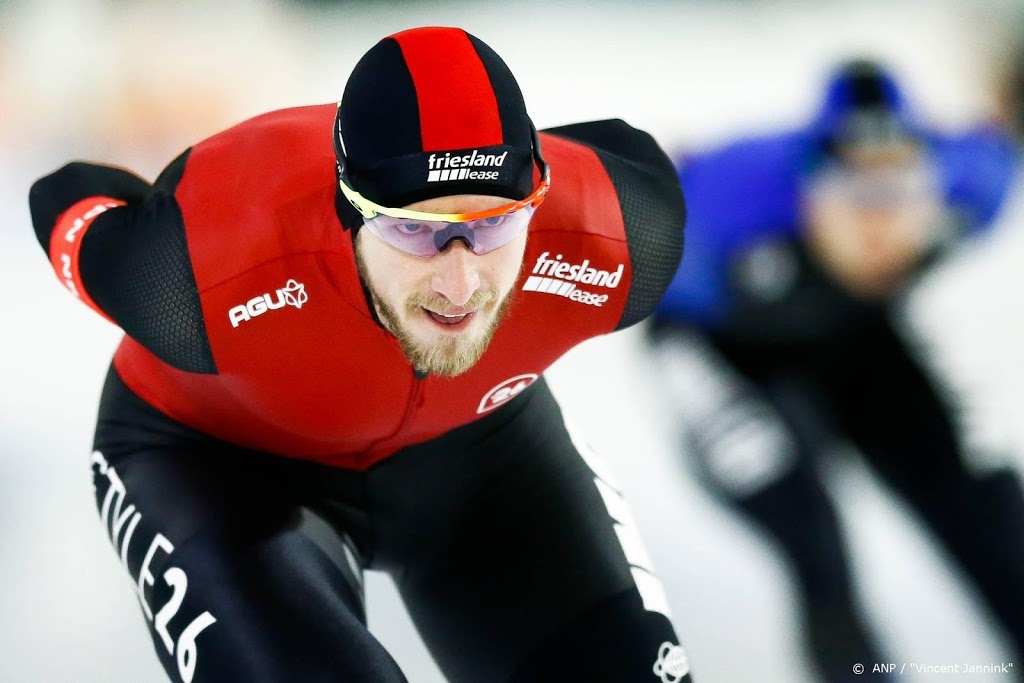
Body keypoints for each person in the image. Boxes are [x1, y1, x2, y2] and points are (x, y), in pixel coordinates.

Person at [29, 27, 690, 683]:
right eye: (414, 229)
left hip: (483, 461)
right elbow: (66, 193)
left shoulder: (622, 235)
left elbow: (627, 151)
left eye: (494, 222)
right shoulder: (195, 275)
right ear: (350, 208)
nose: (460, 285)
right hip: (221, 462)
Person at [647, 59, 1023, 682]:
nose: (881, 227)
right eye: (856, 199)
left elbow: (994, 143)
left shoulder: (977, 185)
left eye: (900, 196)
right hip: (722, 349)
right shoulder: (721, 208)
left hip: (860, 338)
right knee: (813, 535)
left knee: (985, 501)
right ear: (805, 193)